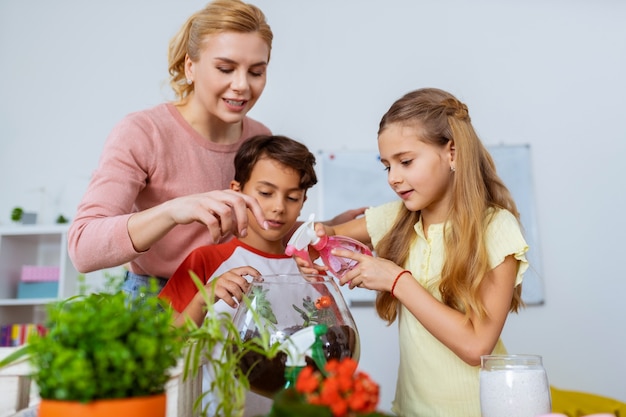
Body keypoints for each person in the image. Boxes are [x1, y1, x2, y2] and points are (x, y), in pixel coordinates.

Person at [67, 0, 362, 298]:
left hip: (233, 294)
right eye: (225, 68)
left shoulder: (259, 136)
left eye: (256, 72)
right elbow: (83, 248)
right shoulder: (144, 133)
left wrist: (327, 228)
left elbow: (253, 229)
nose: (241, 86)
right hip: (157, 300)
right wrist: (173, 211)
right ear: (190, 67)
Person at [304, 88, 529, 417]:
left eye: (406, 161)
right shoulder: (396, 218)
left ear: (452, 152)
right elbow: (327, 235)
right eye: (387, 166)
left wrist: (396, 280)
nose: (394, 178)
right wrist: (313, 244)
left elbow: (476, 345)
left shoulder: (495, 227)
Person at [159, 134, 318, 416]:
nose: (279, 207)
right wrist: (202, 298)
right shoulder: (206, 261)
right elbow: (163, 347)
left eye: (292, 197)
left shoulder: (308, 269)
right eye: (266, 193)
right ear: (236, 191)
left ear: (303, 201)